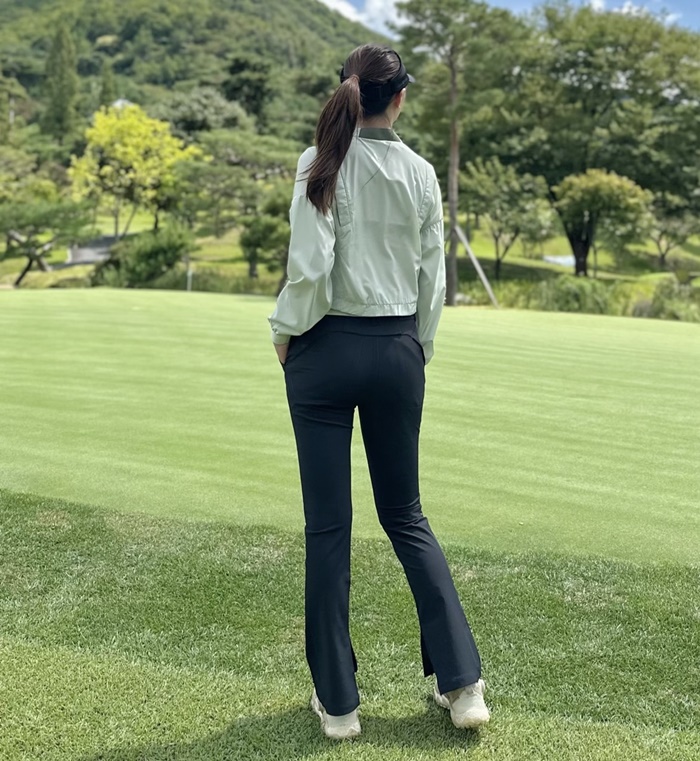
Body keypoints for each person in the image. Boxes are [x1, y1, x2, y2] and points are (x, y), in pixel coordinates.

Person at [269, 43, 489, 740]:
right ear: (399, 99)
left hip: (324, 350)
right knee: (406, 514)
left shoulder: (319, 161)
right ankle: (463, 685)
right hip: (398, 349)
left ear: (346, 92)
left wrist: (284, 331)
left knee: (329, 527)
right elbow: (432, 279)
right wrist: (416, 349)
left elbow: (309, 268)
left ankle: (339, 706)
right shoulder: (422, 172)